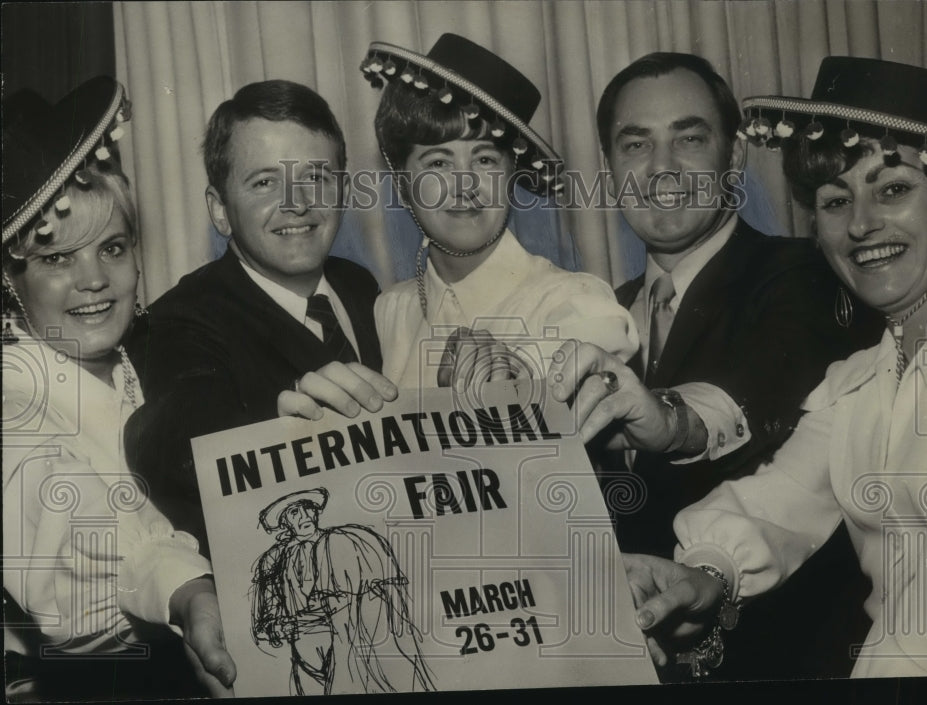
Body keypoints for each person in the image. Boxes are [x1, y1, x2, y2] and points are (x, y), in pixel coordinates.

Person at [554, 56, 927, 678]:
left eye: (893, 189)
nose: (862, 224)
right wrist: (702, 574)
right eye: (835, 200)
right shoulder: (865, 381)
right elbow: (782, 499)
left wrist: (673, 421)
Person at [2, 77, 235, 700]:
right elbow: (71, 553)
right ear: (11, 282)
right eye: (57, 258)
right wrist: (185, 590)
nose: (95, 280)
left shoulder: (151, 362)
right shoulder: (14, 400)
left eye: (112, 247)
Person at [123, 80, 395, 556]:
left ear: (344, 191)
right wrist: (268, 430)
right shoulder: (174, 320)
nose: (298, 202)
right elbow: (172, 434)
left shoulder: (359, 285)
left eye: (316, 176)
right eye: (264, 182)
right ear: (220, 211)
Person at [360, 33, 638, 388]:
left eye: (485, 159)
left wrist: (513, 372)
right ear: (402, 181)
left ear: (511, 175)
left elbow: (592, 353)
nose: (464, 184)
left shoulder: (573, 299)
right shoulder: (392, 309)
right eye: (438, 163)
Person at [250, 488, 434, 695]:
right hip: (304, 655)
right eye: (294, 513)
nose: (304, 516)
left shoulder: (342, 543)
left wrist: (299, 622)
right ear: (285, 523)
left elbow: (349, 603)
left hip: (346, 649)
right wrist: (274, 627)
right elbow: (266, 614)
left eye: (308, 509)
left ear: (316, 512)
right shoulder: (274, 559)